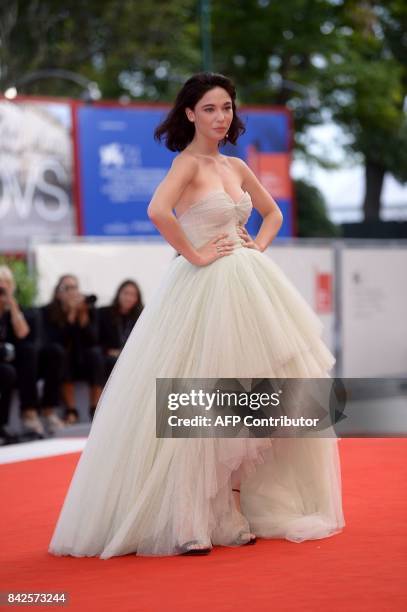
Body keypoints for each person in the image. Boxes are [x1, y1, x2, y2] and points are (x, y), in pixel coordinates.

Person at [49, 72, 344, 559]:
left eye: (226, 107)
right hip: (202, 294)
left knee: (248, 405)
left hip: (250, 289)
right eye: (209, 108)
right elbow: (158, 210)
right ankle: (187, 520)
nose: (220, 117)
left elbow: (271, 214)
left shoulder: (236, 166)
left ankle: (230, 513)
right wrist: (195, 254)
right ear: (189, 114)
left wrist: (258, 245)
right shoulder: (186, 164)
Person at [0, 265, 59, 438]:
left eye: (6, 284)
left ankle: (30, 412)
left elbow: (23, 332)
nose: (2, 288)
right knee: (7, 372)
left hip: (15, 360)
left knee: (28, 350)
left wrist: (11, 304)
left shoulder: (16, 309)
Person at [39, 275, 105, 424]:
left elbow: (93, 340)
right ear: (58, 293)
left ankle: (95, 407)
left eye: (74, 287)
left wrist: (82, 316)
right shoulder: (48, 311)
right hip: (61, 361)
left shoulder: (88, 309)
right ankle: (71, 410)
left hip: (83, 359)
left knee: (95, 354)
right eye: (67, 288)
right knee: (62, 355)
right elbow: (55, 342)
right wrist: (71, 314)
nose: (72, 292)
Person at [98, 280, 144, 383]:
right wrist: (108, 351)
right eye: (126, 293)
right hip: (109, 356)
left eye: (133, 295)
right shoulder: (104, 313)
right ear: (119, 293)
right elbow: (96, 339)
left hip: (131, 356)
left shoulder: (141, 317)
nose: (128, 298)